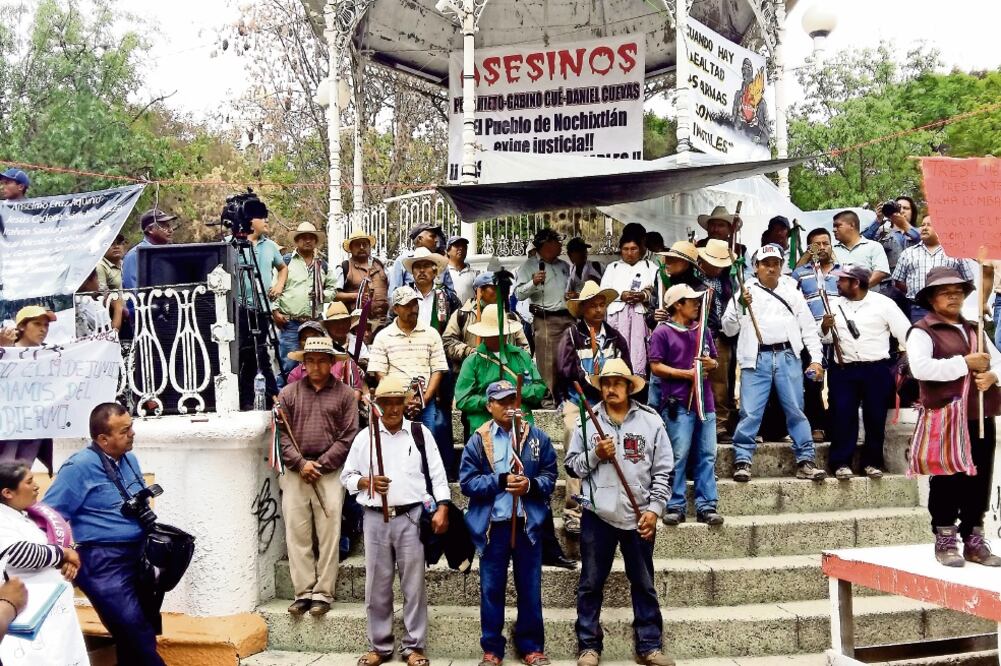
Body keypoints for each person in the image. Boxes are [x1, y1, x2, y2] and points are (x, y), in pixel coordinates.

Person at [565, 359, 674, 666]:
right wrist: (596, 455)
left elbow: (664, 471)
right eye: (606, 383)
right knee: (590, 583)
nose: (611, 388)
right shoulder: (587, 422)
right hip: (597, 515)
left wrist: (654, 511)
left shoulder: (651, 422)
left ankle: (649, 645)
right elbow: (572, 466)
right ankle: (588, 645)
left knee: (643, 582)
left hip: (638, 516)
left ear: (629, 387)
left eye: (617, 383)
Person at [44, 402, 166, 665]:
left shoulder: (129, 459)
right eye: (124, 431)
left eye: (131, 426)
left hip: (139, 556)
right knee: (137, 633)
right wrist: (63, 554)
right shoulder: (79, 466)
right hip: (103, 563)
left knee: (135, 635)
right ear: (103, 439)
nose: (132, 433)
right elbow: (49, 515)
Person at [342, 376, 450, 666]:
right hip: (375, 518)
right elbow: (347, 477)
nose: (392, 410)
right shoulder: (366, 437)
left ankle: (414, 646)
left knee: (414, 586)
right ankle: (380, 645)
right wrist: (366, 481)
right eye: (386, 403)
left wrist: (443, 507)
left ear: (405, 404)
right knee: (377, 585)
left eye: (397, 403)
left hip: (411, 517)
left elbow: (438, 475)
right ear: (377, 405)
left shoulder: (419, 433)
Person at [906, 266, 1001, 568]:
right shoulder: (922, 331)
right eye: (945, 291)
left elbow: (996, 361)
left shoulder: (975, 329)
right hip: (945, 416)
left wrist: (993, 376)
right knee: (947, 477)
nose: (953, 295)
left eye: (958, 291)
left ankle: (974, 537)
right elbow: (921, 369)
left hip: (978, 414)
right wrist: (965, 362)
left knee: (980, 476)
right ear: (932, 298)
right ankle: (945, 537)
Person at [459, 380, 557, 666]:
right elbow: (467, 483)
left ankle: (531, 646)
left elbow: (550, 477)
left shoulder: (537, 437)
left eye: (512, 400)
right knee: (491, 589)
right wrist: (500, 481)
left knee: (530, 587)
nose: (508, 406)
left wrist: (530, 485)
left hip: (526, 524)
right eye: (501, 402)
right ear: (489, 406)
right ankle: (492, 648)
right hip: (494, 526)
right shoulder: (478, 440)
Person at [722, 245, 827, 483]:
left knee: (795, 409)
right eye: (766, 263)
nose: (771, 268)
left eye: (776, 263)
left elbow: (809, 328)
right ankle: (742, 460)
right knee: (750, 411)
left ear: (781, 267)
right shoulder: (744, 291)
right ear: (756, 267)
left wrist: (817, 359)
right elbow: (729, 329)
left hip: (788, 355)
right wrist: (740, 306)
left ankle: (806, 460)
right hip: (756, 356)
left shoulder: (792, 291)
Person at [275, 337, 359, 616]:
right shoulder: (288, 394)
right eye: (310, 360)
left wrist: (319, 465)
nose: (315, 365)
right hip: (296, 472)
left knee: (328, 534)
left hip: (330, 472)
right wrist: (301, 464)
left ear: (332, 362)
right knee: (297, 533)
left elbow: (348, 437)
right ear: (303, 363)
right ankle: (303, 592)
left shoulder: (346, 394)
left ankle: (323, 592)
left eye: (322, 359)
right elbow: (282, 436)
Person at [555, 281, 631, 536]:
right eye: (593, 306)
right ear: (583, 309)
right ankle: (574, 511)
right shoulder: (571, 335)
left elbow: (626, 367)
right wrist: (592, 382)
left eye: (602, 305)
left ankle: (611, 504)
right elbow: (565, 369)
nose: (599, 310)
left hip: (608, 400)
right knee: (574, 440)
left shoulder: (614, 337)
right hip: (577, 400)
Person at [824, 265, 910, 479]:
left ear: (856, 283)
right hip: (844, 369)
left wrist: (906, 361)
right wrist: (825, 327)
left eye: (843, 279)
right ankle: (840, 462)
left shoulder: (884, 304)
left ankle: (872, 462)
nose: (837, 283)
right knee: (843, 416)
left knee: (875, 417)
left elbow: (906, 333)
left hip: (876, 369)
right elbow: (824, 337)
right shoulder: (833, 304)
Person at [0, 463, 88, 666]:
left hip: (54, 620)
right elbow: (18, 553)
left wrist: (65, 562)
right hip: (27, 622)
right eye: (29, 482)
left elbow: (48, 553)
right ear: (7, 492)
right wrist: (62, 553)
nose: (37, 486)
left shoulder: (27, 516)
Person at [649, 284, 723, 526]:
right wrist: (686, 374)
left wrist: (709, 364)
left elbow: (714, 361)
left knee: (707, 454)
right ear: (677, 305)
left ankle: (707, 504)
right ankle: (675, 504)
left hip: (705, 402)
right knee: (677, 455)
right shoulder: (662, 332)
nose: (696, 305)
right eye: (690, 301)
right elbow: (656, 366)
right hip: (678, 402)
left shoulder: (703, 331)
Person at [369, 287, 452, 476]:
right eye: (407, 305)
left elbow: (438, 370)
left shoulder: (431, 334)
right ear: (395, 308)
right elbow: (379, 373)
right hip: (393, 401)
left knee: (428, 448)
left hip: (425, 399)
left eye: (414, 303)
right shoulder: (383, 336)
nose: (412, 308)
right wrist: (401, 398)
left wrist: (424, 399)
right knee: (396, 448)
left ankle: (430, 494)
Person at [455, 304, 546, 431]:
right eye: (494, 333)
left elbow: (540, 388)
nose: (500, 337)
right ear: (484, 335)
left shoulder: (521, 356)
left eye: (501, 333)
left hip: (521, 426)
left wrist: (515, 393)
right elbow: (462, 399)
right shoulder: (472, 361)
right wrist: (493, 400)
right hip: (485, 427)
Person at [791, 228, 841, 442]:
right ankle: (817, 425)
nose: (822, 247)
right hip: (811, 336)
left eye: (826, 243)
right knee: (813, 383)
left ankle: (835, 425)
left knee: (838, 384)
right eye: (816, 244)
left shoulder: (843, 271)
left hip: (840, 336)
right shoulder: (799, 274)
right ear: (809, 249)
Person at [272, 222, 338, 378]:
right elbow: (274, 287)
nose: (307, 241)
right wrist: (275, 311)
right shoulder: (285, 262)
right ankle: (284, 400)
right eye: (303, 238)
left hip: (315, 322)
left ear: (315, 241)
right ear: (297, 241)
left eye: (311, 238)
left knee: (315, 364)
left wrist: (321, 294)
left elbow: (333, 290)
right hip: (291, 322)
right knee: (288, 364)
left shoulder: (322, 265)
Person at [234, 215, 287, 408]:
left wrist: (279, 286)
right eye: (261, 217)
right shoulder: (232, 244)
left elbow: (282, 268)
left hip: (262, 309)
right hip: (239, 309)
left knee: (259, 350)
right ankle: (263, 395)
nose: (266, 221)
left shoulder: (270, 246)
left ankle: (258, 398)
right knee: (246, 353)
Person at [515, 228, 573, 401]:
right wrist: (533, 282)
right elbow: (518, 294)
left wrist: (573, 294)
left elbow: (574, 287)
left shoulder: (564, 266)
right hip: (546, 319)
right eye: (556, 242)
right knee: (549, 362)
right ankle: (550, 399)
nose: (560, 245)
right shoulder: (529, 266)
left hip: (568, 318)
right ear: (546, 245)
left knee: (569, 358)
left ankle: (570, 397)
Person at [1, 306, 57, 473]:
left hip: (34, 427)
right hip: (7, 427)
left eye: (46, 325)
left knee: (23, 472)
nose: (43, 329)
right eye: (37, 324)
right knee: (5, 471)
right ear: (22, 326)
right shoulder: (6, 351)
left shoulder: (52, 354)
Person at [892, 217, 973, 322]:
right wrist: (917, 293)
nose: (924, 228)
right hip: (917, 310)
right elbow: (898, 281)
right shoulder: (908, 253)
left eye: (929, 225)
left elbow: (969, 280)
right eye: (922, 225)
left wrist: (953, 298)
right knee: (920, 337)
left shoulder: (955, 252)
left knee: (947, 338)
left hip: (948, 309)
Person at [600, 232, 658, 378]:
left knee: (638, 351)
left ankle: (637, 382)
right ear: (620, 250)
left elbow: (657, 292)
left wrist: (643, 296)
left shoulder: (649, 266)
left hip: (639, 316)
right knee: (616, 348)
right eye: (625, 249)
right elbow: (602, 293)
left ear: (641, 249)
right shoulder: (612, 267)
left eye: (634, 249)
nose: (629, 253)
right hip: (617, 316)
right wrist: (621, 296)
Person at [443, 271, 531, 367]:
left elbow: (524, 348)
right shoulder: (462, 315)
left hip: (505, 375)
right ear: (479, 291)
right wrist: (469, 352)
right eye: (494, 288)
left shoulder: (510, 317)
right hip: (471, 374)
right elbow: (447, 342)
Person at [695, 239, 736, 440]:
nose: (718, 268)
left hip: (721, 335)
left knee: (721, 382)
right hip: (697, 333)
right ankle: (700, 420)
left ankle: (720, 424)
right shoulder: (694, 279)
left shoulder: (728, 282)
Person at [335, 228, 390, 335]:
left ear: (369, 247)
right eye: (357, 244)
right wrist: (357, 296)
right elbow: (335, 295)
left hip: (383, 324)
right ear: (350, 248)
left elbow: (391, 289)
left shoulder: (380, 265)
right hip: (357, 324)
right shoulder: (344, 267)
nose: (361, 247)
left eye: (364, 244)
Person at [389, 224, 457, 296]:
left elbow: (451, 293)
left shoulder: (440, 262)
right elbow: (394, 294)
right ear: (420, 239)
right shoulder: (402, 261)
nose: (436, 240)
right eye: (432, 236)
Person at [405, 247, 459, 333]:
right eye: (418, 267)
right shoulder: (404, 296)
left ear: (435, 271)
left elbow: (457, 327)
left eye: (426, 266)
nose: (422, 270)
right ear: (412, 272)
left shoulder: (447, 297)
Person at [831, 210, 890, 289]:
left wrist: (860, 290)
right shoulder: (832, 251)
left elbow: (881, 272)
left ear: (852, 225)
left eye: (838, 226)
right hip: (840, 299)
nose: (834, 230)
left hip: (869, 299)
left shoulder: (874, 246)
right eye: (834, 227)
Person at [122, 208, 177, 290]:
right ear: (150, 230)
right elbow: (132, 292)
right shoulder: (135, 255)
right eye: (164, 226)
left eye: (169, 226)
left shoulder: (171, 253)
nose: (170, 230)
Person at [445, 235, 479, 304]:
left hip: (469, 313)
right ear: (448, 251)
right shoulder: (442, 273)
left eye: (464, 246)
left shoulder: (475, 274)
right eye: (457, 245)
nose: (461, 248)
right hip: (448, 314)